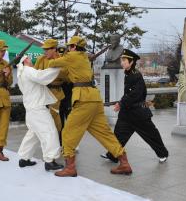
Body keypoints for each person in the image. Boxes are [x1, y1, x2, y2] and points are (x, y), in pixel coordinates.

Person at [48, 36, 132, 177]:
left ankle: (70, 167)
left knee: (67, 132)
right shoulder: (84, 58)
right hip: (94, 98)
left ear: (74, 47)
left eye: (69, 46)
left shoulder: (72, 56)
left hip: (83, 100)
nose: (68, 48)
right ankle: (124, 163)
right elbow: (68, 74)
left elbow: (52, 63)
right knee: (105, 134)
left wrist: (58, 55)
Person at [101, 49, 169, 163]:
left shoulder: (136, 75)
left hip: (138, 113)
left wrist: (121, 103)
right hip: (127, 113)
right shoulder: (127, 74)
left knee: (151, 135)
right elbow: (129, 94)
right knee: (118, 134)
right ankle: (113, 155)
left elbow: (135, 94)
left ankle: (163, 153)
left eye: (124, 60)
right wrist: (122, 103)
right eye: (121, 60)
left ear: (131, 62)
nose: (122, 62)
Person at [17, 56, 64, 171]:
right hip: (38, 109)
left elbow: (38, 75)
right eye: (29, 59)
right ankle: (50, 161)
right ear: (25, 61)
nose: (31, 61)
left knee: (33, 135)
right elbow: (42, 77)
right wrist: (58, 67)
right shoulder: (28, 71)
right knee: (49, 132)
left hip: (31, 109)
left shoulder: (21, 74)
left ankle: (24, 158)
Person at [34, 39, 68, 133]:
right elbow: (34, 74)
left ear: (54, 49)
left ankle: (57, 139)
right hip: (42, 92)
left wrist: (56, 72)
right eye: (44, 49)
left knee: (55, 117)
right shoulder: (40, 59)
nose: (45, 52)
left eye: (47, 49)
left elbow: (67, 77)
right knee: (42, 118)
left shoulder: (61, 60)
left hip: (56, 93)